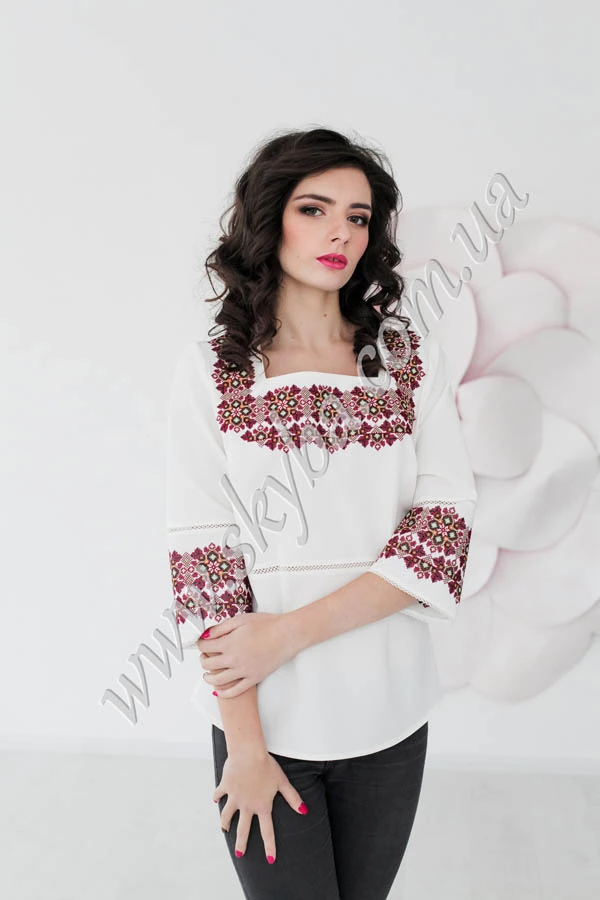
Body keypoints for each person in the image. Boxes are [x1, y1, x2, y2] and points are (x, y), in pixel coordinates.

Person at [165, 127, 478, 900]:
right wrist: (245, 744)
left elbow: (442, 533)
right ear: (269, 219)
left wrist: (287, 632)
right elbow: (203, 562)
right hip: (264, 725)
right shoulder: (214, 372)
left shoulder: (407, 361)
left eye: (358, 216)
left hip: (389, 713)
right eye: (315, 208)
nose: (341, 231)